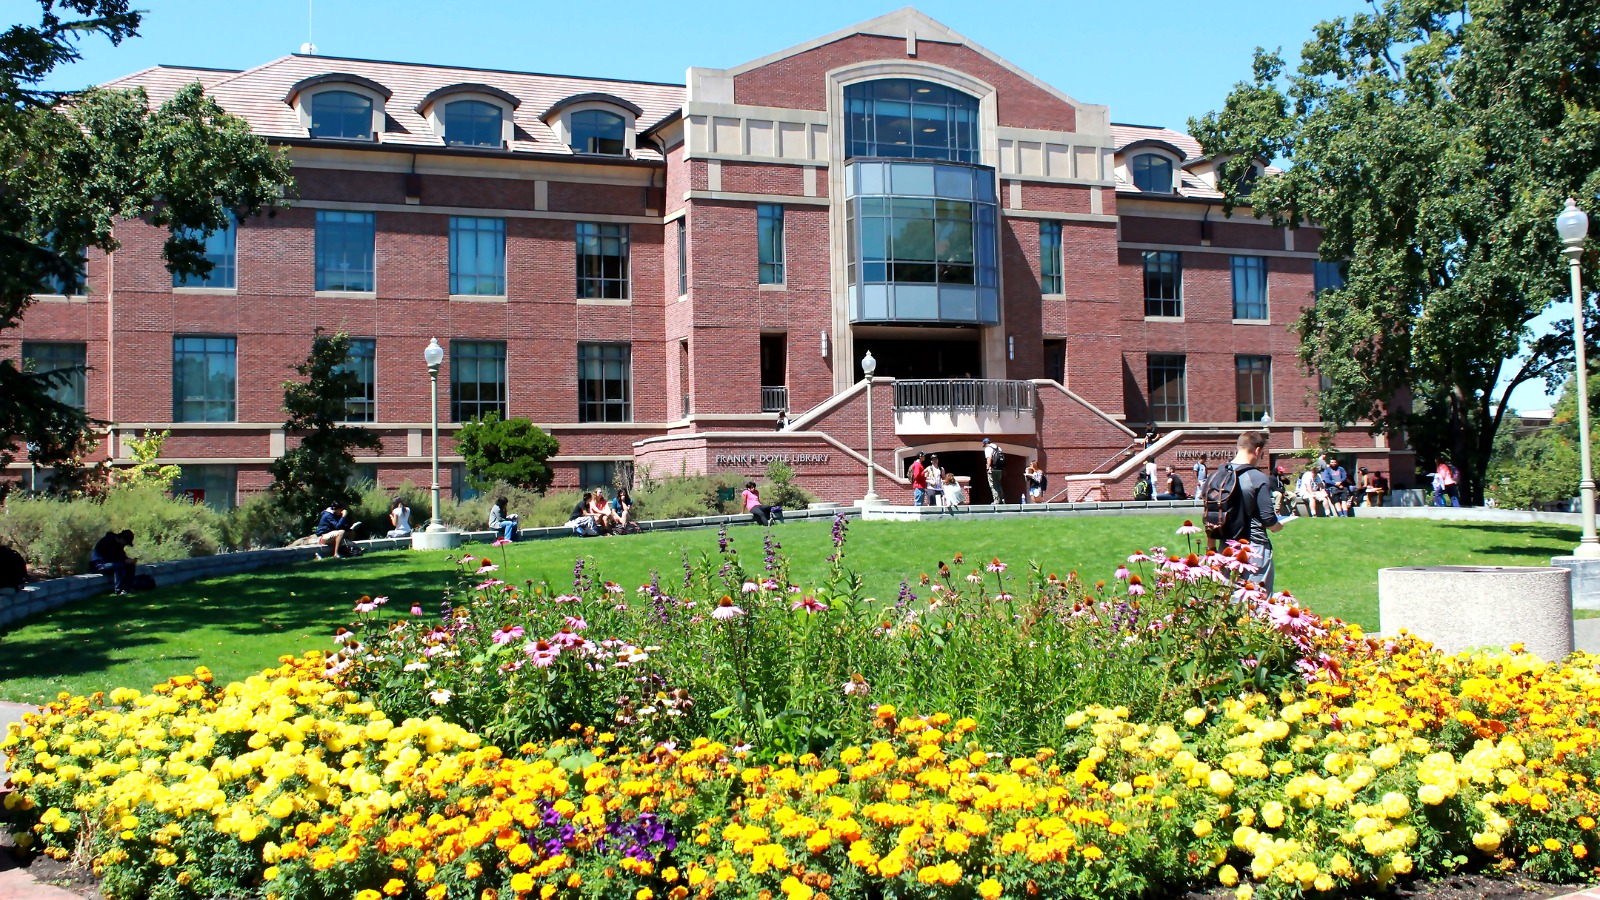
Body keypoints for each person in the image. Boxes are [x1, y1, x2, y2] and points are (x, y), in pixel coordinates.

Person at [1208, 431, 1284, 593]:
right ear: (1257, 450)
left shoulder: (1215, 476)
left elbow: (1211, 516)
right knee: (1257, 605)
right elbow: (1268, 519)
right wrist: (1279, 526)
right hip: (1255, 549)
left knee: (1227, 604)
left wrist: (1212, 550)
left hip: (1225, 548)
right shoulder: (1258, 478)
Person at [90, 529, 137, 594]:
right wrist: (125, 561)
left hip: (109, 564)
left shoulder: (119, 544)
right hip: (99, 565)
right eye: (126, 542)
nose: (125, 545)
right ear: (122, 539)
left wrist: (129, 560)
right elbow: (111, 558)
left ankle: (127, 588)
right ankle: (118, 590)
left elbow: (121, 556)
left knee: (131, 565)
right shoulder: (108, 541)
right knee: (119, 565)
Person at [982, 438, 1005, 504]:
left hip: (992, 468)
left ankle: (996, 500)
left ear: (986, 443)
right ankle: (1002, 499)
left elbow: (989, 458)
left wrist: (988, 468)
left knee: (993, 485)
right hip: (999, 468)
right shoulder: (998, 448)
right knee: (998, 483)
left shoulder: (988, 448)